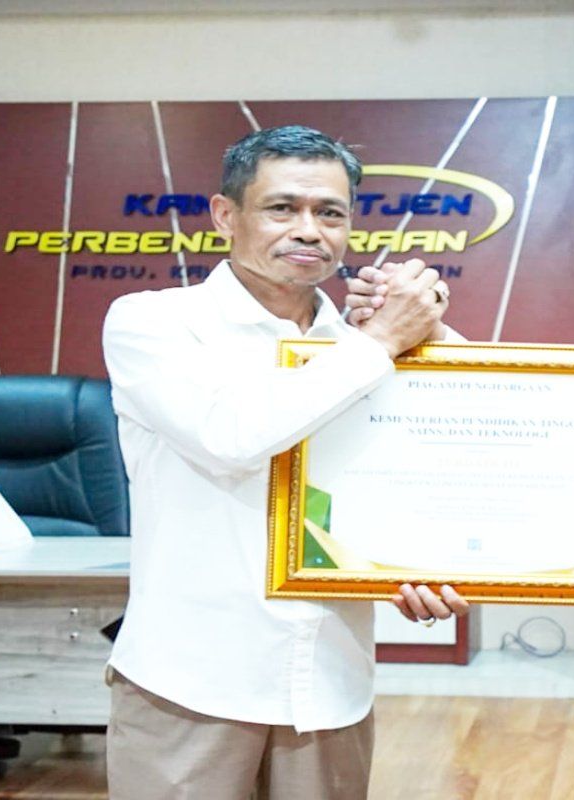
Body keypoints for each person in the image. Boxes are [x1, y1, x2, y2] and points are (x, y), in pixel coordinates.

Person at [102, 125, 468, 800]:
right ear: (225, 215)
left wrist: (431, 333)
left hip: (329, 680)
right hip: (190, 683)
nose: (309, 230)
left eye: (330, 212)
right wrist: (381, 342)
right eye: (282, 208)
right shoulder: (155, 323)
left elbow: (456, 445)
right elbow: (233, 436)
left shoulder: (361, 338)